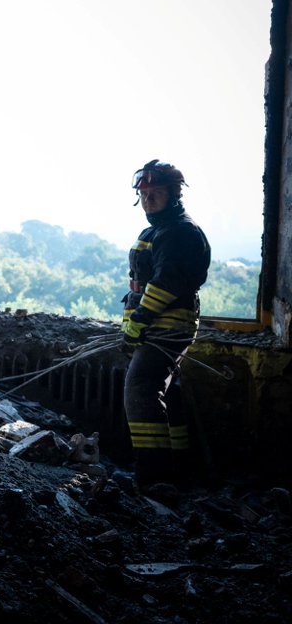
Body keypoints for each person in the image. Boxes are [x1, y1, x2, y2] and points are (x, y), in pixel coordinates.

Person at [120, 159, 211, 496]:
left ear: (174, 194)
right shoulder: (157, 230)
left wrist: (139, 322)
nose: (148, 200)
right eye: (144, 194)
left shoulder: (181, 232)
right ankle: (179, 468)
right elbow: (141, 282)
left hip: (167, 327)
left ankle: (155, 477)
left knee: (141, 387)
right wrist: (132, 319)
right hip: (156, 327)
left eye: (155, 193)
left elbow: (166, 283)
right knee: (167, 391)